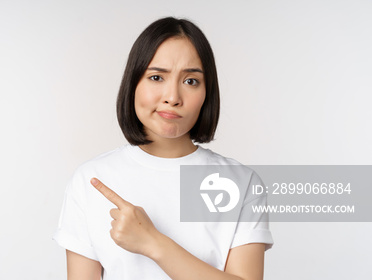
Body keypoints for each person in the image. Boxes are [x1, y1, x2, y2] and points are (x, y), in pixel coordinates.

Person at [52, 17, 274, 280]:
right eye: (156, 77)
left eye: (190, 81)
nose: (172, 97)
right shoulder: (91, 181)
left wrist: (153, 243)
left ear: (207, 93)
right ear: (133, 83)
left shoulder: (242, 183)